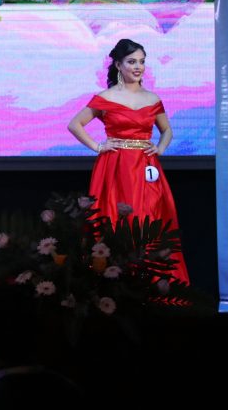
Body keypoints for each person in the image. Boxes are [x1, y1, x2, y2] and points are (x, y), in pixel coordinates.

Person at [66, 38, 189, 283]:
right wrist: (98, 146)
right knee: (114, 217)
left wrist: (160, 148)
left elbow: (167, 130)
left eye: (142, 62)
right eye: (132, 62)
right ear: (118, 65)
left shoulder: (152, 99)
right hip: (115, 166)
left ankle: (152, 281)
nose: (138, 67)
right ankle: (114, 283)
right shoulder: (105, 97)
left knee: (148, 217)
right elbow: (74, 124)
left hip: (145, 166)